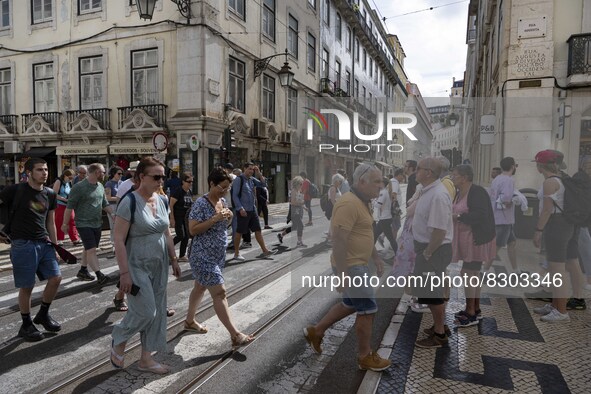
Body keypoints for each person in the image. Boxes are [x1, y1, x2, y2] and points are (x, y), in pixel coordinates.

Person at [303, 163, 390, 371]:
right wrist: (343, 275)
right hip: (352, 267)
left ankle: (316, 331)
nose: (381, 185)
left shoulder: (364, 201)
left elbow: (364, 234)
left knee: (349, 304)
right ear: (361, 182)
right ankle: (364, 356)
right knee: (367, 310)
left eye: (381, 181)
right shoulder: (348, 204)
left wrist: (376, 257)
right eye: (377, 181)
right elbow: (339, 241)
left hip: (358, 264)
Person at [110, 157, 181, 373]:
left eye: (163, 176)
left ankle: (146, 359)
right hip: (136, 265)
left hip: (159, 264)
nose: (161, 181)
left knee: (158, 312)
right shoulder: (129, 201)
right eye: (156, 177)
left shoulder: (161, 199)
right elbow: (118, 240)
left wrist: (174, 259)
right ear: (142, 177)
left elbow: (166, 232)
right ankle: (119, 338)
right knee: (146, 311)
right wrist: (124, 274)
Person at [184, 168, 254, 347]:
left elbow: (223, 226)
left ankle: (189, 321)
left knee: (199, 288)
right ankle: (235, 335)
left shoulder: (222, 201)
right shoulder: (200, 203)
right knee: (220, 292)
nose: (224, 191)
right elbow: (193, 229)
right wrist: (215, 218)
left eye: (227, 188)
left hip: (217, 255)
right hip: (202, 255)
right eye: (221, 187)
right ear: (211, 184)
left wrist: (228, 217)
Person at [0, 158, 61, 341]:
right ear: (28, 172)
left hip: (44, 243)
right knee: (27, 286)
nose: (44, 173)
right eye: (39, 170)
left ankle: (43, 314)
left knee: (56, 278)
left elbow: (50, 222)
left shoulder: (50, 194)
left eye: (45, 170)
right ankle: (26, 324)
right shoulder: (16, 190)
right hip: (22, 244)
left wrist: (56, 246)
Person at [532, 150, 584, 322]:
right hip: (567, 225)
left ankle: (561, 311)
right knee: (559, 268)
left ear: (540, 166)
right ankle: (555, 305)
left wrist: (538, 231)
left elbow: (547, 210)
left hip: (556, 226)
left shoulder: (549, 183)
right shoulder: (561, 179)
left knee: (557, 271)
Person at [411, 157, 454, 348]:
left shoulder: (437, 195)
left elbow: (439, 231)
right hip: (429, 249)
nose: (415, 171)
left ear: (428, 172)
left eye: (418, 168)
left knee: (431, 293)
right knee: (428, 291)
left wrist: (427, 254)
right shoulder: (428, 191)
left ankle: (439, 335)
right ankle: (441, 326)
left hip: (433, 250)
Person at [450, 165, 496, 327]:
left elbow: (480, 215)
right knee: (472, 273)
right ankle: (474, 309)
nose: (452, 177)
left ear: (464, 177)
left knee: (468, 273)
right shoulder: (459, 192)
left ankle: (470, 312)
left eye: (454, 175)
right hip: (466, 239)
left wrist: (459, 216)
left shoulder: (477, 191)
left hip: (476, 239)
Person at [63, 163, 114, 285]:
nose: (104, 174)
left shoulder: (100, 186)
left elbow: (104, 203)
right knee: (91, 249)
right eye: (102, 172)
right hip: (83, 223)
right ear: (96, 172)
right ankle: (99, 275)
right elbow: (69, 207)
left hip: (97, 223)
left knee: (88, 247)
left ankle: (83, 270)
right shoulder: (79, 187)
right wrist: (65, 224)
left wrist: (113, 214)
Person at [231, 162, 276, 261]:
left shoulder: (251, 180)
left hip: (252, 210)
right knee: (239, 232)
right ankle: (236, 253)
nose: (251, 171)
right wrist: (240, 208)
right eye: (249, 169)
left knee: (258, 230)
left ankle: (265, 250)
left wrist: (259, 173)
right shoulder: (239, 180)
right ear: (245, 169)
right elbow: (235, 196)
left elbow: (263, 184)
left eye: (252, 169)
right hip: (243, 210)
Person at [488, 157, 522, 274]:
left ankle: (516, 270)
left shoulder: (497, 179)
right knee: (497, 246)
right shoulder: (508, 180)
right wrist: (516, 200)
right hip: (504, 219)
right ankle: (484, 270)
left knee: (512, 243)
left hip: (499, 217)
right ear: (512, 167)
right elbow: (506, 199)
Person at [52, 169, 81, 246]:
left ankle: (75, 238)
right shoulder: (59, 181)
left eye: (72, 178)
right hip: (60, 204)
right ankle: (59, 238)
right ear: (65, 176)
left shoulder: (69, 183)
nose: (71, 179)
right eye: (70, 178)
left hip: (68, 204)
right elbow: (54, 194)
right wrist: (64, 199)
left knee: (72, 220)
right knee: (59, 221)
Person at [170, 173, 194, 262]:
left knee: (186, 236)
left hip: (186, 217)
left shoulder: (189, 192)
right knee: (180, 235)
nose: (190, 183)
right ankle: (167, 248)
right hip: (178, 216)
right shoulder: (178, 191)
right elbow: (171, 205)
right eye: (189, 181)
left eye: (192, 182)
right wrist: (172, 218)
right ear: (183, 181)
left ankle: (182, 255)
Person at [277, 176, 307, 247]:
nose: (301, 185)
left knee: (294, 227)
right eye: (301, 184)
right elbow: (293, 202)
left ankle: (281, 235)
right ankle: (299, 242)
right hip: (295, 212)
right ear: (297, 184)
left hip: (299, 211)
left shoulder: (298, 191)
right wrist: (301, 203)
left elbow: (299, 201)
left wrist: (304, 207)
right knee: (300, 225)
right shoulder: (293, 191)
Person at [374, 177, 397, 255]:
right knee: (374, 234)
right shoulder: (385, 191)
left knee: (390, 238)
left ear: (382, 184)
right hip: (384, 218)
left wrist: (373, 200)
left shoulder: (383, 193)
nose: (377, 184)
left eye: (378, 182)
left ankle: (398, 254)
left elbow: (378, 205)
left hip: (385, 219)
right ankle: (370, 252)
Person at [105, 166, 124, 252]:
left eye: (122, 174)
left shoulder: (122, 183)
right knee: (113, 225)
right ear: (113, 174)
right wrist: (119, 198)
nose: (120, 175)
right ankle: (113, 244)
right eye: (119, 173)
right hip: (112, 206)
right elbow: (107, 197)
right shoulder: (109, 184)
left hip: (121, 205)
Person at [325, 173, 344, 244]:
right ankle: (331, 239)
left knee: (333, 223)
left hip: (336, 207)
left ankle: (330, 237)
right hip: (334, 207)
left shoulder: (336, 188)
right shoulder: (333, 188)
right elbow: (332, 200)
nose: (341, 183)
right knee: (334, 223)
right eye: (340, 181)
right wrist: (337, 208)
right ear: (336, 181)